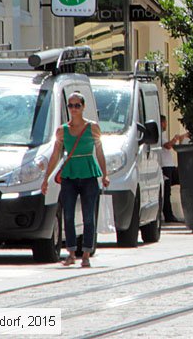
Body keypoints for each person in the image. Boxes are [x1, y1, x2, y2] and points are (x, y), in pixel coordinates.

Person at [40, 92, 109, 268]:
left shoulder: (93, 128)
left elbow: (99, 152)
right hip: (69, 176)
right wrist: (46, 179)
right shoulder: (62, 131)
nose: (74, 109)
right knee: (68, 215)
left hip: (89, 175)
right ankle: (70, 253)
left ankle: (85, 254)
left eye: (77, 105)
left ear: (83, 107)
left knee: (88, 216)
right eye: (71, 105)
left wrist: (105, 174)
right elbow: (55, 155)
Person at [160, 115, 185, 223]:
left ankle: (169, 214)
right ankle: (168, 215)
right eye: (165, 122)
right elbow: (167, 145)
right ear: (162, 123)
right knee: (167, 191)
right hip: (165, 166)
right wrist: (175, 139)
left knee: (179, 180)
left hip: (169, 165)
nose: (166, 124)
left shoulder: (163, 134)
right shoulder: (160, 135)